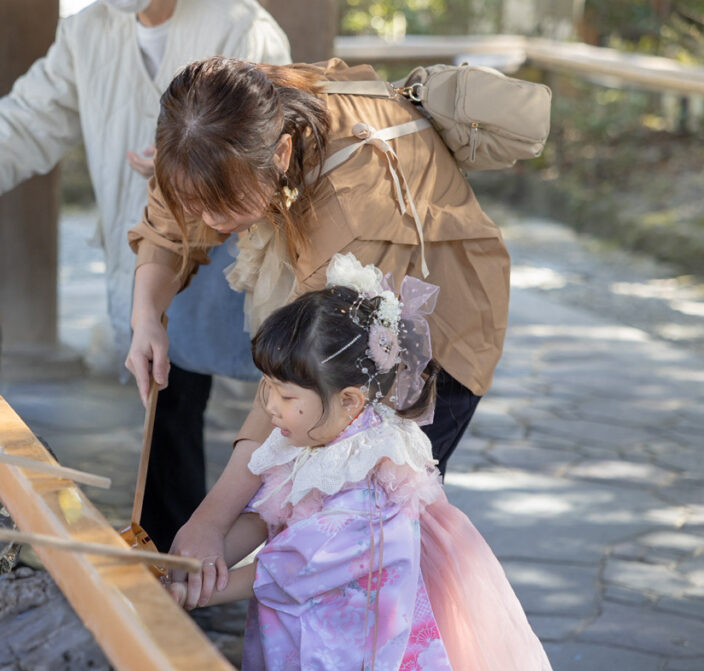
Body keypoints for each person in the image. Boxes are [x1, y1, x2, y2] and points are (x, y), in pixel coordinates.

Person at [0, 0, 290, 550]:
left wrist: (195, 167)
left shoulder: (240, 24)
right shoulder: (86, 31)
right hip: (147, 247)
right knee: (164, 404)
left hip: (224, 252)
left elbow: (270, 143)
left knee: (276, 400)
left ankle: (257, 553)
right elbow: (28, 116)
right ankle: (172, 565)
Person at [127, 56, 510, 601]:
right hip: (335, 315)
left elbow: (296, 384)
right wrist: (145, 320)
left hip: (435, 333)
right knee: (298, 490)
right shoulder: (219, 124)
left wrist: (210, 521)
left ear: (280, 155)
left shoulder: (352, 203)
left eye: (224, 206)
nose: (209, 224)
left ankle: (383, 648)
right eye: (197, 204)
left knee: (364, 523)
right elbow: (167, 225)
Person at [168, 254, 555, 671]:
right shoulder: (312, 431)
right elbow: (268, 515)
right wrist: (195, 565)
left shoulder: (372, 480)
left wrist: (200, 592)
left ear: (350, 399)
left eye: (285, 394)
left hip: (352, 646)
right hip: (306, 622)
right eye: (268, 388)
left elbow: (297, 566)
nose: (270, 408)